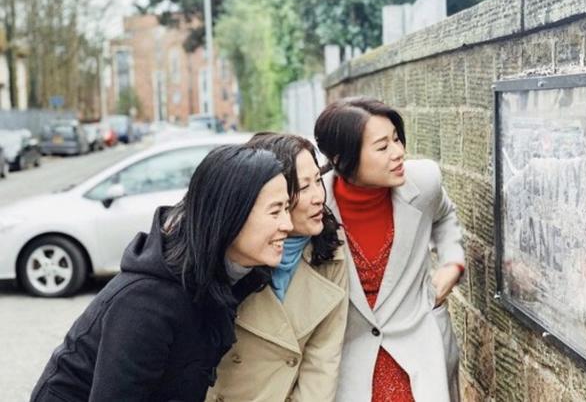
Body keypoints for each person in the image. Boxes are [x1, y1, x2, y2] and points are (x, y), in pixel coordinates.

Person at [31, 145, 293, 402]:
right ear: (229, 214)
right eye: (275, 211)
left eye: (287, 208)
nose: (287, 224)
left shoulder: (233, 275)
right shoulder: (146, 303)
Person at [314, 97, 466, 402]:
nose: (398, 152)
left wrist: (452, 263)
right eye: (382, 147)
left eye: (396, 139)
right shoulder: (315, 202)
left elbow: (445, 215)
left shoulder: (423, 183)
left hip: (419, 348)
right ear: (342, 158)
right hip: (348, 359)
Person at [208, 133, 348, 402]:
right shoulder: (235, 256)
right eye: (303, 187)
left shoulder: (329, 253)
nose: (319, 197)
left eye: (318, 180)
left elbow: (322, 362)